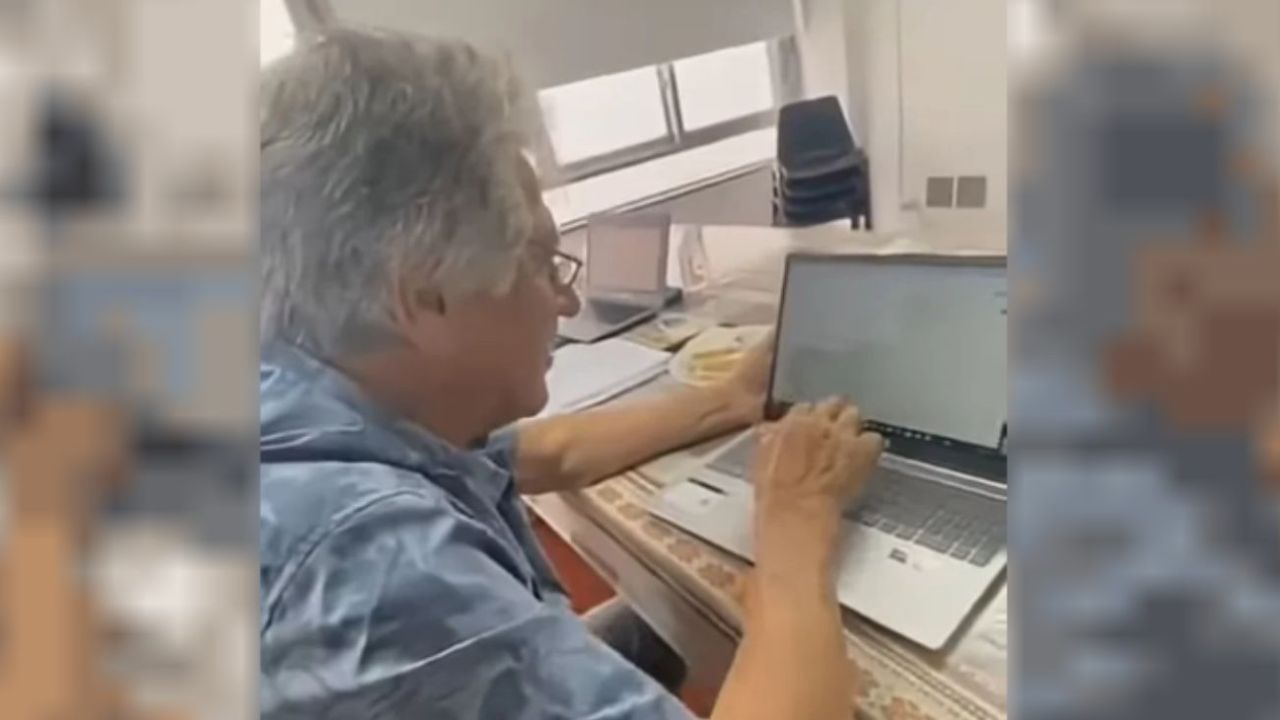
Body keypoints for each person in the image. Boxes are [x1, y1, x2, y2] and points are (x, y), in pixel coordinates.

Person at [258, 27, 883, 719]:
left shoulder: (298, 397)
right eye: (541, 264)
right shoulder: (376, 566)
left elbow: (542, 452)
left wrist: (728, 400)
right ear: (423, 293)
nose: (568, 301)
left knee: (659, 624)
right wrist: (793, 532)